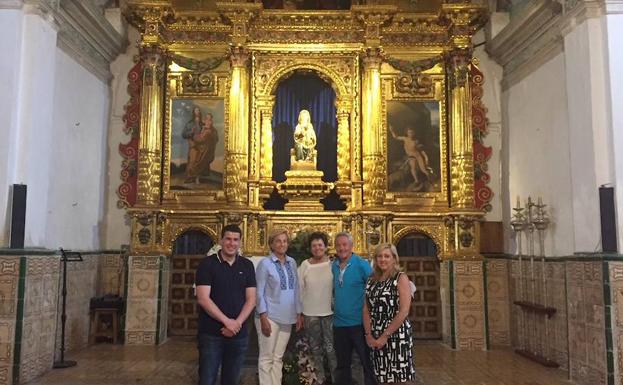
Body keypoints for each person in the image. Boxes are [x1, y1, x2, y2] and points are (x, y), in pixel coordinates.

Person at [195, 224, 257, 385]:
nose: (232, 243)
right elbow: (203, 298)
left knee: (232, 379)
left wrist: (236, 323)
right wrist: (227, 321)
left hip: (238, 334)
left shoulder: (247, 265)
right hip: (211, 334)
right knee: (207, 379)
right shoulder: (207, 264)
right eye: (228, 239)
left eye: (236, 240)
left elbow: (251, 299)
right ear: (221, 241)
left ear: (240, 242)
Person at [255, 229, 304, 385]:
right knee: (266, 358)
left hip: (288, 316)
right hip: (269, 316)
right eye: (278, 241)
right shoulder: (265, 263)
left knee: (278, 357)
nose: (282, 244)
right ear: (271, 244)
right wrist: (263, 316)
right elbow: (259, 291)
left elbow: (296, 289)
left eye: (284, 241)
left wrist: (298, 313)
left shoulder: (292, 262)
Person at [363, 244, 416, 384]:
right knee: (381, 378)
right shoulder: (371, 279)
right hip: (376, 334)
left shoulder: (400, 278)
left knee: (398, 379)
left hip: (396, 335)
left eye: (387, 256)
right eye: (379, 256)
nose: (383, 259)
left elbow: (404, 310)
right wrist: (368, 335)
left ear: (394, 259)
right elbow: (366, 308)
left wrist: (385, 335)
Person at [332, 232, 378, 385]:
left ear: (351, 246)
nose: (341, 248)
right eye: (338, 245)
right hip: (339, 324)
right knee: (343, 365)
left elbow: (374, 284)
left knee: (366, 363)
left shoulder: (361, 264)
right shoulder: (334, 265)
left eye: (345, 244)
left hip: (358, 323)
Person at [298, 232, 337, 385]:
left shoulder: (333, 264)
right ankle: (319, 379)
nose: (317, 248)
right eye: (314, 245)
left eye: (320, 245)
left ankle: (335, 380)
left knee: (331, 350)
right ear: (310, 248)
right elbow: (300, 290)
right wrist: (300, 312)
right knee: (315, 349)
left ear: (326, 247)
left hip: (330, 313)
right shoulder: (305, 265)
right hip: (310, 313)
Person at [388, 124, 433, 190]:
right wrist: (392, 130)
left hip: (418, 156)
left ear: (414, 133)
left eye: (412, 132)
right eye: (409, 132)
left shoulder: (416, 141)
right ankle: (416, 181)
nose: (411, 134)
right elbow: (396, 137)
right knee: (413, 167)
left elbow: (421, 150)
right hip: (411, 156)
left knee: (423, 169)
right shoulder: (405, 139)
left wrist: (426, 157)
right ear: (407, 133)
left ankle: (431, 179)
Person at [185, 112, 219, 183]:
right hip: (203, 148)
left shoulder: (209, 131)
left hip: (204, 150)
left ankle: (193, 178)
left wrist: (193, 135)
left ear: (211, 121)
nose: (206, 121)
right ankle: (194, 178)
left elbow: (200, 139)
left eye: (209, 119)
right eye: (206, 119)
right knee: (195, 161)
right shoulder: (208, 129)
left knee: (197, 162)